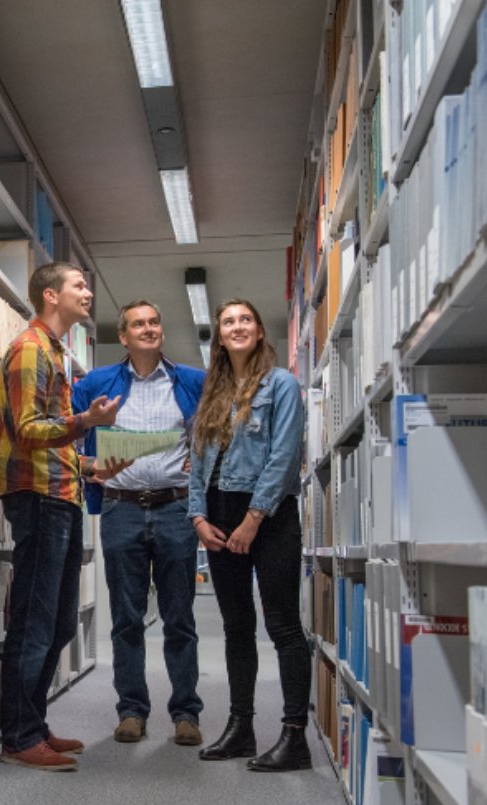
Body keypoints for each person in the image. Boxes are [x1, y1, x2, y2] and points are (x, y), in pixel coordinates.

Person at [0, 262, 123, 772]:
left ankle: (33, 723)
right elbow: (29, 428)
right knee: (34, 622)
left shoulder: (56, 352)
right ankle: (19, 737)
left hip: (63, 493)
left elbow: (55, 439)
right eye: (79, 285)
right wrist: (86, 421)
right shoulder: (30, 348)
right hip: (39, 497)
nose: (88, 291)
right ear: (51, 295)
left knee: (60, 623)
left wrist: (96, 465)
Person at [71, 300, 206, 747]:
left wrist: (202, 466)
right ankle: (132, 711)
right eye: (137, 324)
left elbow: (216, 438)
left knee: (179, 617)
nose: (148, 329)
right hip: (120, 509)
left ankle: (186, 713)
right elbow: (63, 434)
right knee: (127, 618)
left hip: (175, 508)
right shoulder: (96, 384)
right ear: (123, 337)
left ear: (161, 331)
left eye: (154, 321)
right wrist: (89, 468)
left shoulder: (191, 382)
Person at [187, 298, 310, 772]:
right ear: (219, 336)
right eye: (228, 322)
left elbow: (284, 457)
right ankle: (241, 728)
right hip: (218, 517)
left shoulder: (281, 384)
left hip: (269, 514)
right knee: (237, 627)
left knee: (281, 624)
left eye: (245, 320)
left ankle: (294, 735)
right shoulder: (213, 393)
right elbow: (197, 461)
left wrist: (253, 519)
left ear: (259, 331)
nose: (237, 327)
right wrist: (199, 519)